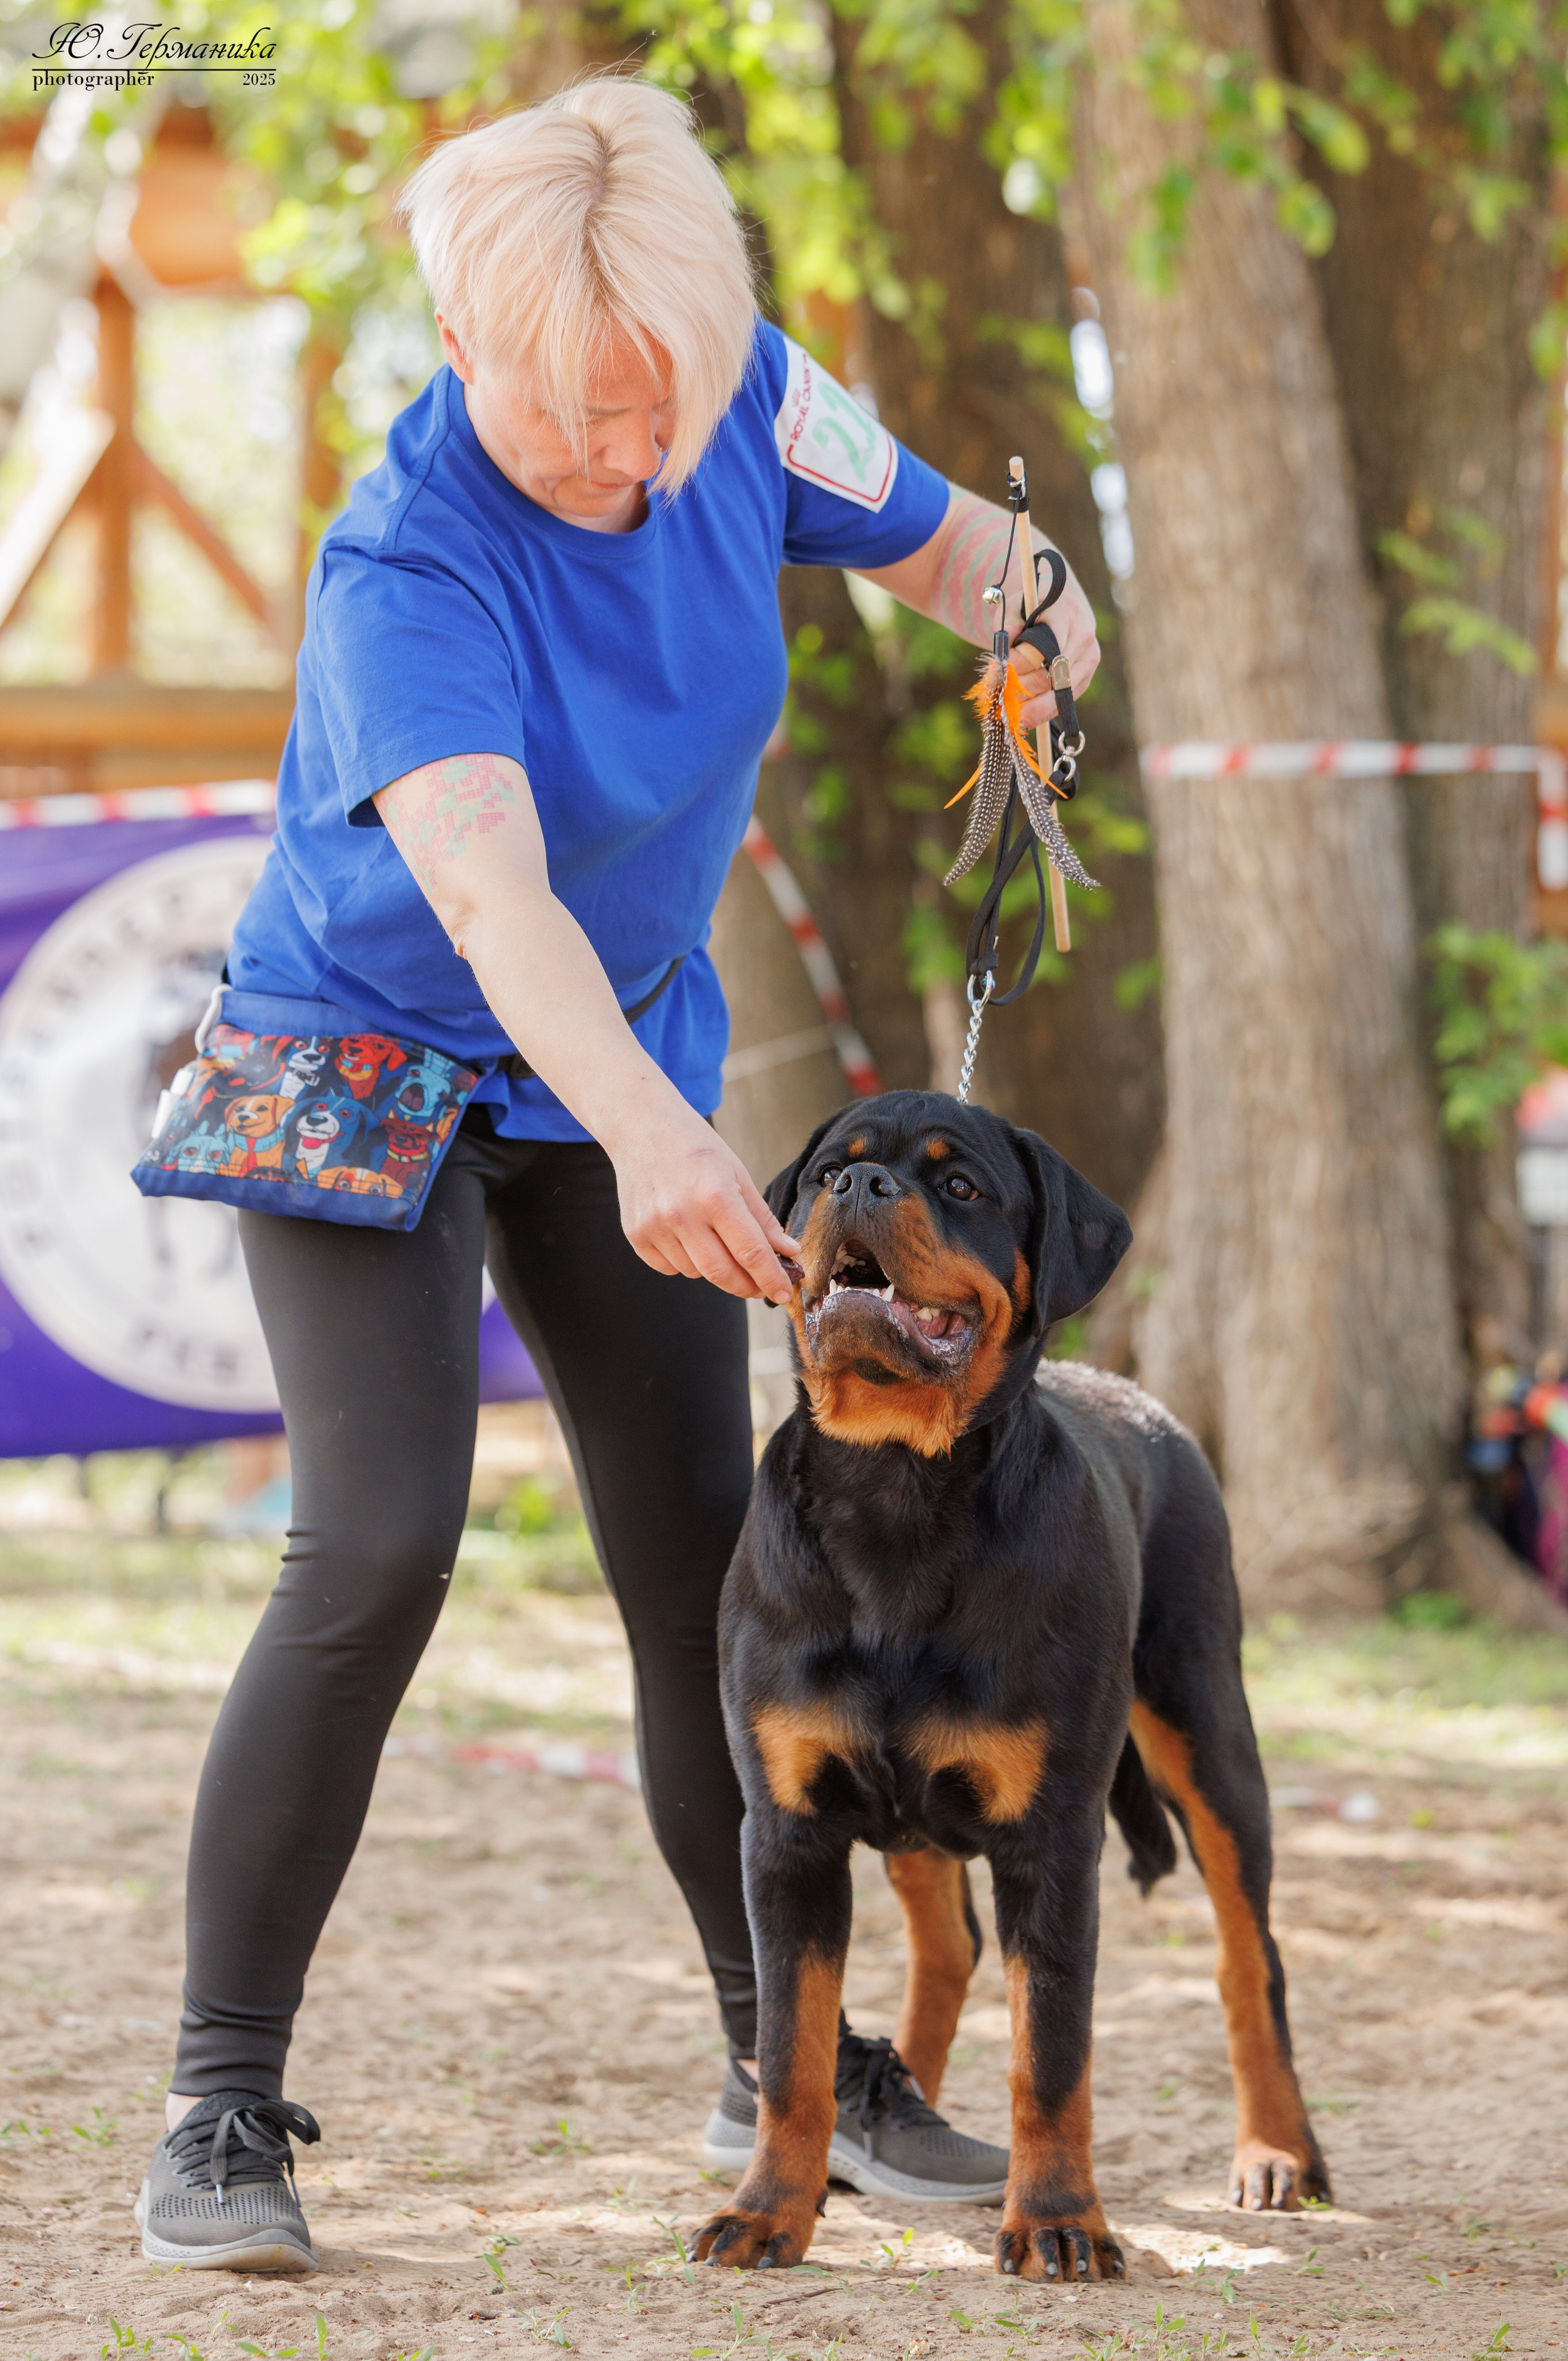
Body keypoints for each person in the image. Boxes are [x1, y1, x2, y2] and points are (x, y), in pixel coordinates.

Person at [132, 73, 1101, 2274]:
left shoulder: (736, 398)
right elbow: (495, 905)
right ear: (458, 342)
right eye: (578, 411)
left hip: (622, 1049)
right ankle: (217, 2105)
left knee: (715, 1574)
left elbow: (973, 554)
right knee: (377, 1548)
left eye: (661, 403)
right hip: (366, 1056)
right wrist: (659, 1137)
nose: (633, 457)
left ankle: (792, 2067)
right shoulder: (406, 568)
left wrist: (1036, 623)